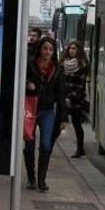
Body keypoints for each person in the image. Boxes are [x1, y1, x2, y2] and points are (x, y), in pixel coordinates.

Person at [24, 36, 66, 192]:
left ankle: (42, 180)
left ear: (53, 52)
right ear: (40, 49)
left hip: (48, 111)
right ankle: (31, 178)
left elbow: (61, 94)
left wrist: (63, 118)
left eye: (50, 49)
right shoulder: (29, 65)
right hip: (30, 109)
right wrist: (27, 85)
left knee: (46, 145)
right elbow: (19, 81)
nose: (47, 52)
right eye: (45, 48)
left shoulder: (57, 69)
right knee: (29, 144)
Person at [62, 41, 89, 158]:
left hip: (76, 100)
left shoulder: (82, 65)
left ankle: (80, 148)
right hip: (64, 97)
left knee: (77, 124)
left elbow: (80, 86)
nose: (71, 51)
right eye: (70, 48)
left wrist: (70, 97)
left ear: (79, 50)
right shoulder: (64, 63)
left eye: (74, 48)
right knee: (60, 121)